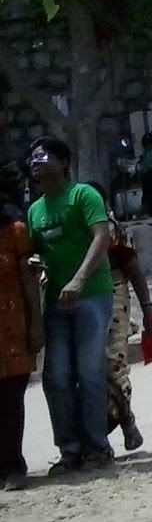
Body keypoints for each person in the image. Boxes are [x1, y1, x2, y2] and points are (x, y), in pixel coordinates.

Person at [25, 136, 115, 474]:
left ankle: (97, 447)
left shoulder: (83, 195)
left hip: (92, 294)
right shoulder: (35, 210)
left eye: (44, 155)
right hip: (56, 302)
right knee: (56, 376)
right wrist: (36, 262)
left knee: (90, 373)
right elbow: (35, 252)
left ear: (64, 163)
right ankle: (69, 449)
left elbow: (101, 236)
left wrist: (78, 280)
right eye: (33, 156)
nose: (37, 161)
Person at [103, 208, 152, 452]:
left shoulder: (110, 228)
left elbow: (133, 268)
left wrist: (148, 311)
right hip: (77, 298)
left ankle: (125, 419)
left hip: (113, 291)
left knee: (113, 366)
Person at [0, 197, 42, 489]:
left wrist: (36, 325)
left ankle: (14, 466)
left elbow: (29, 280)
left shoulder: (14, 231)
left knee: (11, 400)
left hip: (12, 329)